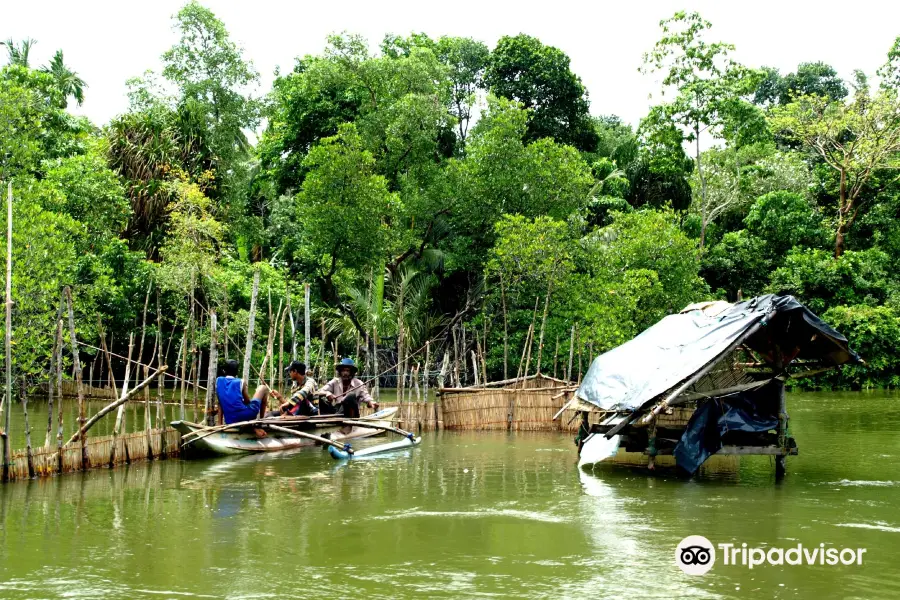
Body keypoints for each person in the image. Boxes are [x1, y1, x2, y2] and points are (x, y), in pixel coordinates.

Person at [215, 359, 269, 438]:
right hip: (245, 416)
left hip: (230, 420)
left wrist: (219, 424)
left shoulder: (218, 381)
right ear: (237, 372)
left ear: (224, 370)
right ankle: (260, 421)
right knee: (263, 388)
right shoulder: (240, 382)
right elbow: (247, 401)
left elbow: (220, 403)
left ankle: (249, 425)